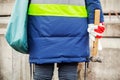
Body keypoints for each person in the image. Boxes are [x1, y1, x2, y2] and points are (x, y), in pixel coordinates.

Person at [27, 0, 105, 80]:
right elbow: (93, 3)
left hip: (41, 26)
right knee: (68, 73)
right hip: (73, 27)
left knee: (43, 72)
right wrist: (96, 24)